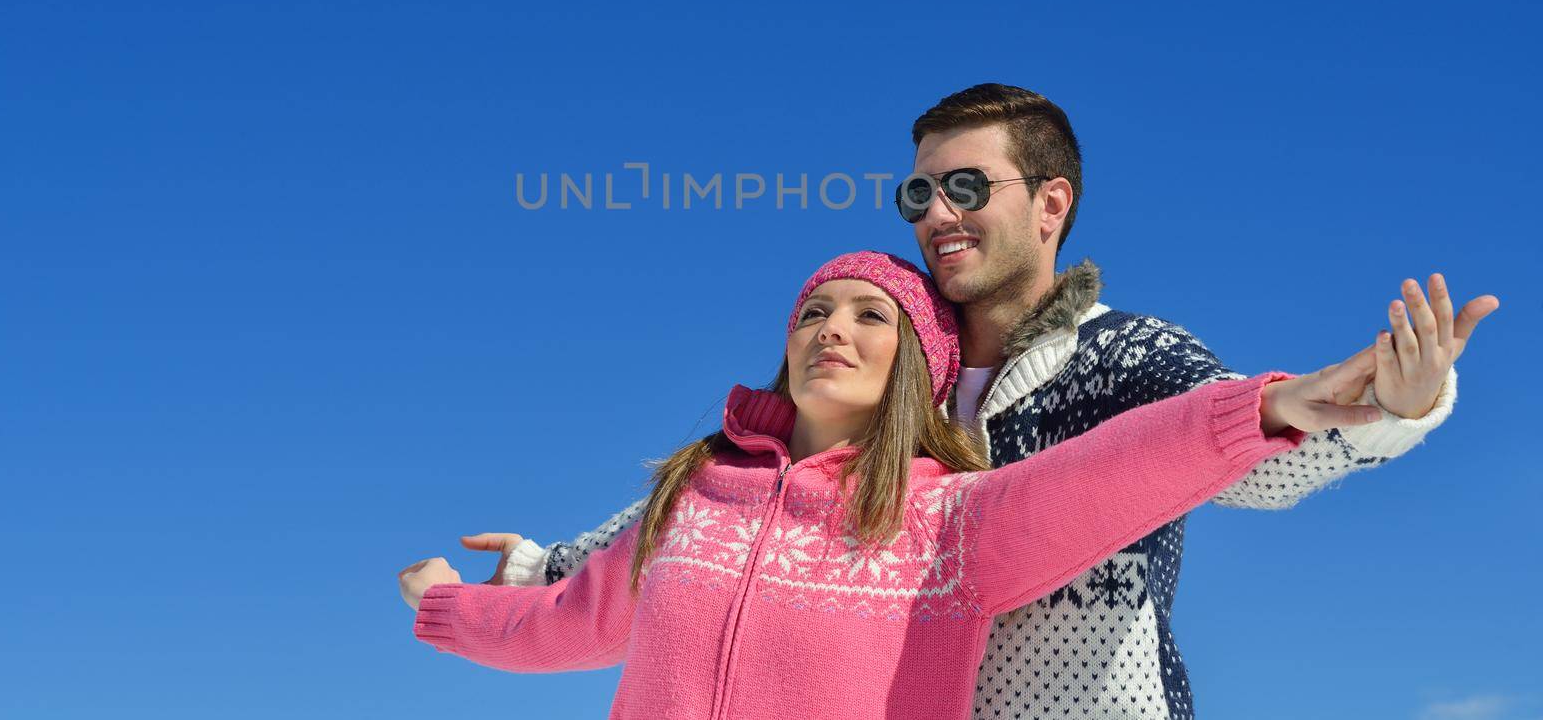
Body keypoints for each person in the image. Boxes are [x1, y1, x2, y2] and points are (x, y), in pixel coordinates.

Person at [469, 84, 1500, 720]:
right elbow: (747, 503)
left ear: (1050, 203)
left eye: (966, 188)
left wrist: (1392, 411)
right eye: (918, 194)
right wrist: (541, 564)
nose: (935, 215)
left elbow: (1241, 448)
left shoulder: (1126, 357)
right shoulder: (887, 368)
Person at [400, 251, 1446, 720]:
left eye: (868, 315)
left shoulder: (949, 524)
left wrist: (1272, 406)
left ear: (917, 367)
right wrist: (447, 607)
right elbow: (563, 623)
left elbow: (1118, 471)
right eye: (814, 311)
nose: (831, 330)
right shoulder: (697, 498)